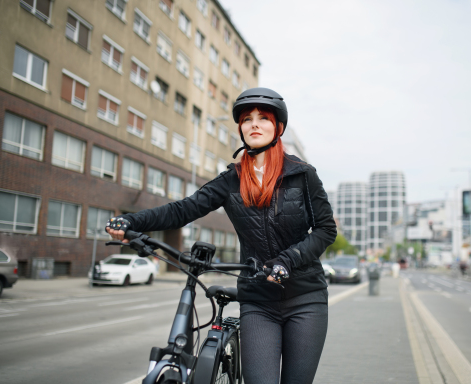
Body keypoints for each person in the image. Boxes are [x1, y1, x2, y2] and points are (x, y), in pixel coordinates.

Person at [105, 87, 337, 384]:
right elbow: (184, 210)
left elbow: (325, 230)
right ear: (240, 128)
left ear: (277, 127)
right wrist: (131, 221)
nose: (254, 124)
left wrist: (288, 260)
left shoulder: (303, 174)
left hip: (306, 298)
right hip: (258, 301)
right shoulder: (231, 180)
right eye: (247, 119)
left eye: (263, 118)